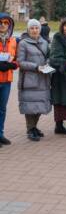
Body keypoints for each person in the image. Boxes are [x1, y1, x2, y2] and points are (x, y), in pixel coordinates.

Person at [17, 19, 51, 141]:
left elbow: (48, 57)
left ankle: (34, 127)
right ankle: (30, 129)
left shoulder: (45, 42)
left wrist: (47, 64)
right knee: (30, 106)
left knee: (39, 104)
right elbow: (20, 62)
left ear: (40, 29)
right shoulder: (23, 43)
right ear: (28, 29)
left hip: (43, 78)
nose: (34, 30)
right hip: (29, 80)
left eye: (36, 28)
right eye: (32, 28)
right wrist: (36, 67)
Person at [0, 13, 18, 146]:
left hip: (7, 80)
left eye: (6, 23)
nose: (3, 25)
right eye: (1, 22)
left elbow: (17, 59)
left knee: (2, 109)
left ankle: (0, 134)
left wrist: (13, 65)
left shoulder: (13, 40)